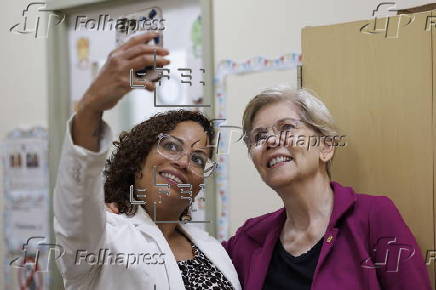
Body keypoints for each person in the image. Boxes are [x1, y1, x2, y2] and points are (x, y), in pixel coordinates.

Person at [53, 32, 241, 290]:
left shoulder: (211, 248)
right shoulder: (106, 236)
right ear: (138, 158)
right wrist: (90, 109)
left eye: (198, 158)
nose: (184, 161)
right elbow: (76, 205)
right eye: (172, 146)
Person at [221, 86, 432, 290]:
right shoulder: (249, 238)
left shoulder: (374, 216)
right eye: (259, 137)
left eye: (287, 127)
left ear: (326, 146)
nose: (271, 140)